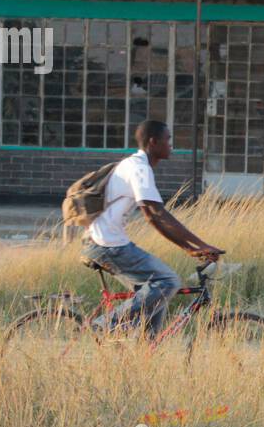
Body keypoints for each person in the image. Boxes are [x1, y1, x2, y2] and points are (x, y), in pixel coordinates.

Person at [81, 119, 223, 337]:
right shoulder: (139, 169)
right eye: (168, 140)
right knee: (168, 281)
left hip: (101, 241)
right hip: (108, 244)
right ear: (153, 142)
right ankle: (107, 323)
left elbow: (152, 216)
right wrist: (200, 245)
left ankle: (146, 350)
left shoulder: (134, 165)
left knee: (157, 293)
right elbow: (157, 213)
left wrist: (190, 247)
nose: (171, 145)